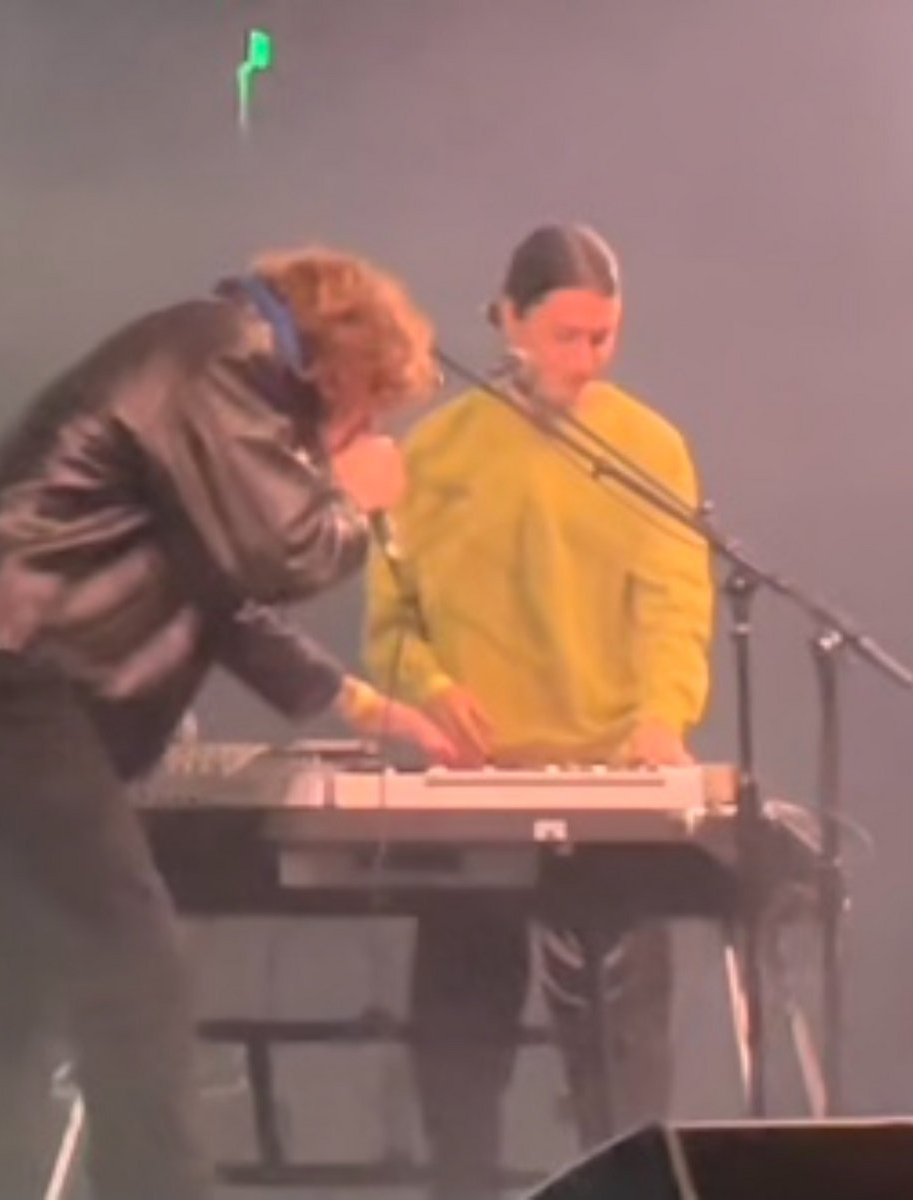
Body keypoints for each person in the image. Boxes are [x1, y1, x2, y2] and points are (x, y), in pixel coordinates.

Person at [0, 246, 459, 1200]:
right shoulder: (222, 358)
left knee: (14, 1009)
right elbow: (279, 553)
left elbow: (220, 591)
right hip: (8, 685)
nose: (362, 431)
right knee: (133, 969)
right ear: (343, 366)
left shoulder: (210, 367)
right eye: (369, 408)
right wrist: (351, 496)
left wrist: (361, 703)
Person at [363, 223, 715, 1199]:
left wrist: (662, 717)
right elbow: (391, 625)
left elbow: (677, 605)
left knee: (620, 1059)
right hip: (472, 781)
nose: (587, 358)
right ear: (510, 321)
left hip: (609, 779)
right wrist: (432, 692)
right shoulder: (440, 450)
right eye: (566, 336)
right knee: (457, 1040)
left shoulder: (647, 448)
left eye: (604, 336)